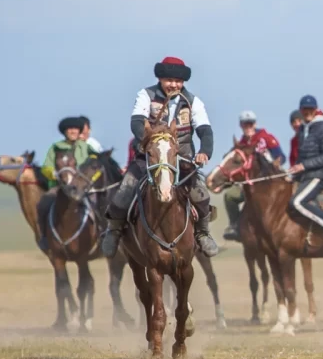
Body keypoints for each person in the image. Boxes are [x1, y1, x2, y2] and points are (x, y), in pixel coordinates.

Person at [101, 56, 219, 258]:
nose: (174, 84)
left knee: (202, 194)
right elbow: (137, 121)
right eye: (169, 80)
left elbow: (205, 130)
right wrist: (147, 140)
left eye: (178, 81)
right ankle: (114, 230)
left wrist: (204, 152)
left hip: (181, 159)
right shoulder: (146, 95)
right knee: (123, 192)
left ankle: (202, 233)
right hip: (150, 157)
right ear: (161, 79)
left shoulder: (193, 102)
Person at [287, 95, 323, 241]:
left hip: (319, 175)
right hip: (306, 176)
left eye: (310, 109)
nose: (307, 112)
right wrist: (293, 173)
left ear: (315, 110)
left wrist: (304, 165)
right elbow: (301, 156)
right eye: (304, 109)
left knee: (297, 202)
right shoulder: (302, 130)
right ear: (300, 110)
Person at [222, 111, 286, 241]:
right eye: (245, 124)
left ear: (255, 124)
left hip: (269, 180)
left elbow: (281, 156)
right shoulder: (242, 143)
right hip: (249, 182)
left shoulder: (266, 137)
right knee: (229, 196)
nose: (248, 127)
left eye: (250, 124)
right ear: (241, 125)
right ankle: (235, 226)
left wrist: (276, 162)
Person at [37, 116, 92, 250]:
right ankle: (44, 237)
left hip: (83, 187)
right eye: (69, 129)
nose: (73, 131)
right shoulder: (55, 148)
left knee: (101, 204)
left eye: (75, 129)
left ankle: (104, 236)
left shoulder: (86, 147)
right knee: (43, 203)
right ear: (64, 132)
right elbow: (46, 167)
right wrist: (54, 174)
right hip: (60, 187)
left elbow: (94, 164)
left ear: (79, 132)